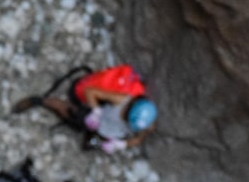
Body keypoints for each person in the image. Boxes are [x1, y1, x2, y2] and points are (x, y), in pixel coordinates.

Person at [10, 64, 157, 153]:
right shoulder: (122, 100)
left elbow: (138, 139)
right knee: (68, 111)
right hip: (97, 117)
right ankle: (40, 101)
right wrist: (96, 111)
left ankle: (90, 140)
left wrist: (121, 144)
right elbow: (90, 92)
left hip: (106, 133)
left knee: (90, 145)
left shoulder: (144, 123)